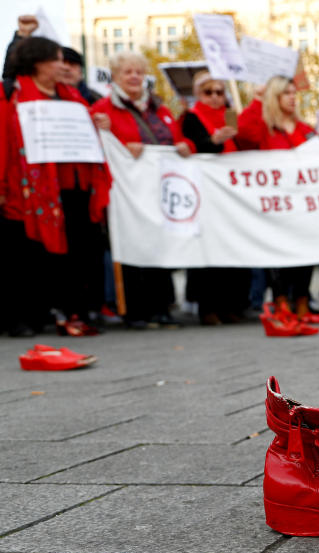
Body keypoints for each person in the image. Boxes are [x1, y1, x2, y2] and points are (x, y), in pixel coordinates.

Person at [1, 37, 111, 336]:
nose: (63, 66)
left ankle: (71, 311)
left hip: (74, 186)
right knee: (28, 256)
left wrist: (96, 121)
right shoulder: (12, 94)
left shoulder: (72, 97)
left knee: (77, 252)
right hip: (30, 190)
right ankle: (25, 317)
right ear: (37, 62)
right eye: (57, 59)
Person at [91, 51, 190, 329]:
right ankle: (136, 311)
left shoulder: (160, 109)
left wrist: (187, 147)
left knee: (161, 244)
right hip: (125, 192)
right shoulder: (102, 109)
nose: (134, 77)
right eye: (127, 72)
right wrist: (119, 140)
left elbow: (179, 140)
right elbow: (99, 144)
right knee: (133, 243)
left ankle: (161, 308)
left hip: (160, 190)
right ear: (115, 77)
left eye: (138, 71)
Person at [236, 75, 317, 318]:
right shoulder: (264, 128)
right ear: (276, 97)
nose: (293, 98)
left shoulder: (305, 129)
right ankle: (281, 299)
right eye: (286, 93)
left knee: (307, 251)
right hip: (274, 204)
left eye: (294, 93)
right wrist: (256, 101)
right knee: (276, 252)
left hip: (303, 203)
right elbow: (243, 135)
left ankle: (302, 298)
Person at [179, 71, 250, 326]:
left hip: (232, 194)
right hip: (208, 193)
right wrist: (214, 141)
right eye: (209, 92)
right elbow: (195, 146)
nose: (215, 97)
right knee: (209, 252)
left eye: (220, 92)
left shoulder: (231, 118)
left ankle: (232, 305)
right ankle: (207, 307)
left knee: (233, 249)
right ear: (198, 94)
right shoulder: (191, 117)